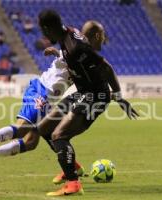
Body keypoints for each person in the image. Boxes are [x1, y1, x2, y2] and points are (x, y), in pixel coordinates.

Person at [0, 20, 110, 185]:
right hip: (42, 91)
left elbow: (69, 59)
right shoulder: (79, 48)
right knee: (23, 128)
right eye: (101, 35)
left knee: (32, 141)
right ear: (96, 36)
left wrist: (56, 53)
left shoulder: (82, 51)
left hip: (49, 97)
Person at [29, 10, 137, 196]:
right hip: (83, 93)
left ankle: (73, 183)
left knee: (59, 135)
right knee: (43, 129)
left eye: (43, 31)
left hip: (95, 97)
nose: (43, 36)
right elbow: (74, 63)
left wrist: (117, 96)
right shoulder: (66, 38)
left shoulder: (77, 47)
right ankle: (72, 166)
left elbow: (106, 67)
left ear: (49, 29)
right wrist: (57, 54)